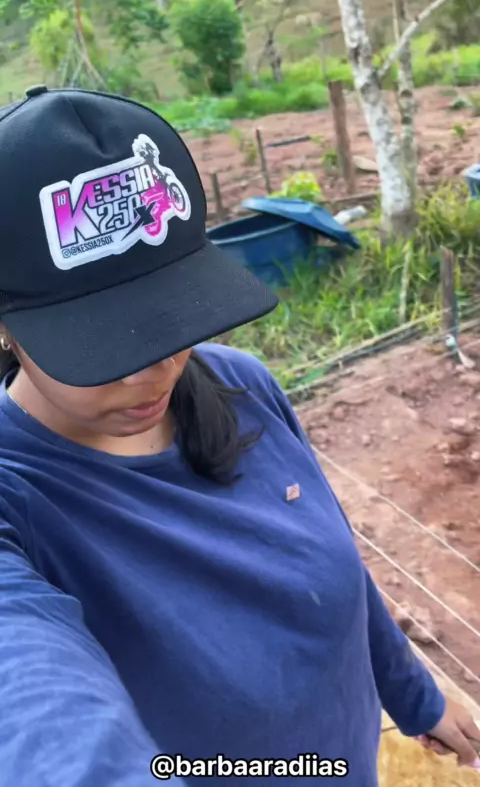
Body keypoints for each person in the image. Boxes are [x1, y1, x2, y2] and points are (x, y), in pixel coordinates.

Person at [0, 85, 478, 787]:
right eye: (101, 342)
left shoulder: (241, 384)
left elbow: (336, 562)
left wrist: (413, 692)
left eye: (172, 319)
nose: (155, 369)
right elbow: (34, 705)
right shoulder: (15, 500)